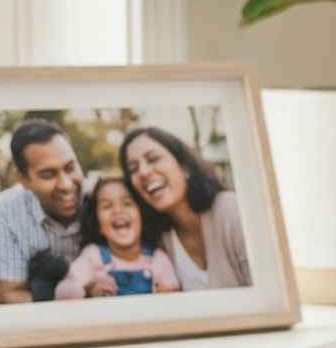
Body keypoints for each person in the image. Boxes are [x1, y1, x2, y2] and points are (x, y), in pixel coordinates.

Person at [121, 126, 250, 290]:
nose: (144, 172)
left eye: (153, 159)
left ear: (185, 167)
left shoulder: (231, 211)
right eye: (133, 169)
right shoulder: (159, 242)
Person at [0, 117, 87, 304]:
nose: (66, 185)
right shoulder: (6, 210)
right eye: (48, 174)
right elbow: (8, 296)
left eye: (70, 167)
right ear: (23, 180)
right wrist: (78, 299)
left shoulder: (101, 196)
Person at [55, 174, 179, 299]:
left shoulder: (157, 259)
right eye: (107, 206)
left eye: (127, 203)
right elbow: (61, 293)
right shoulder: (93, 257)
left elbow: (176, 299)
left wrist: (167, 294)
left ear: (142, 215)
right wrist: (87, 289)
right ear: (97, 224)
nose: (118, 211)